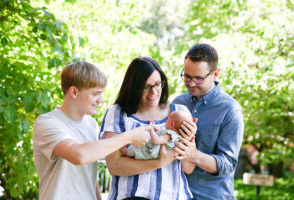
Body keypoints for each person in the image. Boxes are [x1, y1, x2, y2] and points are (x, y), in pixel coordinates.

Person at [33, 61, 151, 200]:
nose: (100, 100)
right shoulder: (47, 123)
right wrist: (129, 137)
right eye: (96, 94)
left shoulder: (91, 124)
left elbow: (89, 173)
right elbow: (79, 155)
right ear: (74, 92)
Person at [100, 56, 196, 200]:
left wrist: (189, 141)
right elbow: (114, 166)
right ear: (133, 87)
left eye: (157, 84)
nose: (153, 92)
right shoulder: (118, 113)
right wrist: (159, 162)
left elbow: (187, 168)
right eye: (146, 87)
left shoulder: (180, 112)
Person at [173, 43, 244, 200]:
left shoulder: (230, 109)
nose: (191, 83)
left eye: (198, 78)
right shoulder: (177, 103)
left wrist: (194, 155)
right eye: (187, 76)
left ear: (215, 74)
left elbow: (228, 165)